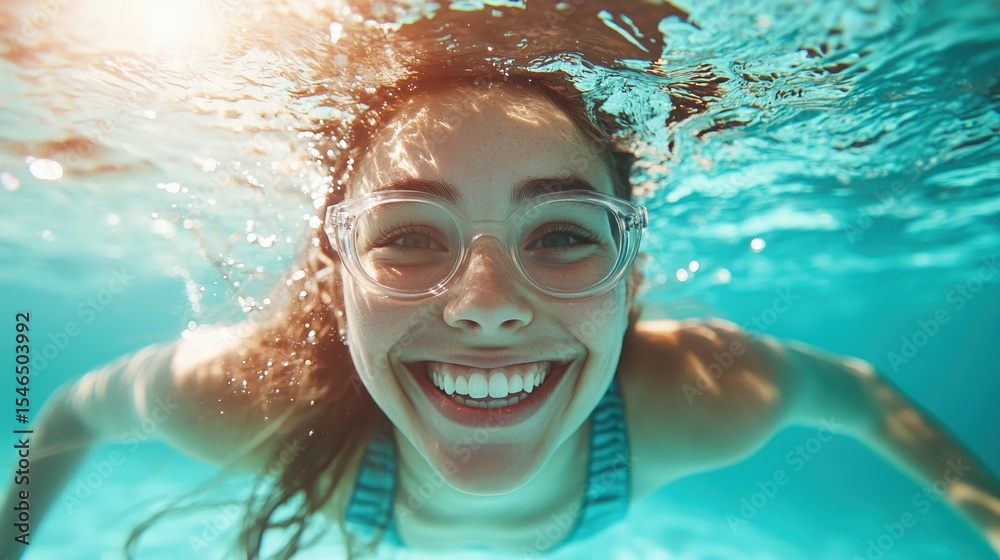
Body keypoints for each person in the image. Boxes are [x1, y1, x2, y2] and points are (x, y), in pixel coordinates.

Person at [4, 74, 999, 560]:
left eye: (563, 234)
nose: (484, 306)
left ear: (628, 267)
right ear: (337, 267)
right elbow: (75, 412)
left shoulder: (700, 393)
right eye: (407, 236)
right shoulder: (253, 400)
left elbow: (864, 395)